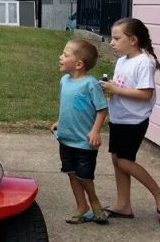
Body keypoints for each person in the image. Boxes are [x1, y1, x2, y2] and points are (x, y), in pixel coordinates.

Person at [99, 17, 160, 221]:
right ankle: (123, 204)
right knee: (117, 160)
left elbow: (145, 94)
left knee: (125, 161)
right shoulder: (123, 61)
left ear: (133, 40)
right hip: (119, 117)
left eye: (117, 38)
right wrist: (110, 91)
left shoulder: (144, 62)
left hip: (134, 120)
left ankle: (158, 194)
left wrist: (115, 89)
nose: (112, 42)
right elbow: (122, 87)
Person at [49, 39, 109, 224]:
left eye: (65, 55)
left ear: (78, 64)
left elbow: (102, 109)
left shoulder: (90, 84)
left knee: (84, 175)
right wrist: (60, 121)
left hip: (84, 141)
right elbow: (70, 106)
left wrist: (96, 131)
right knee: (72, 173)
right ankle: (81, 206)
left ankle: (94, 201)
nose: (61, 57)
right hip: (65, 138)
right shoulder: (64, 81)